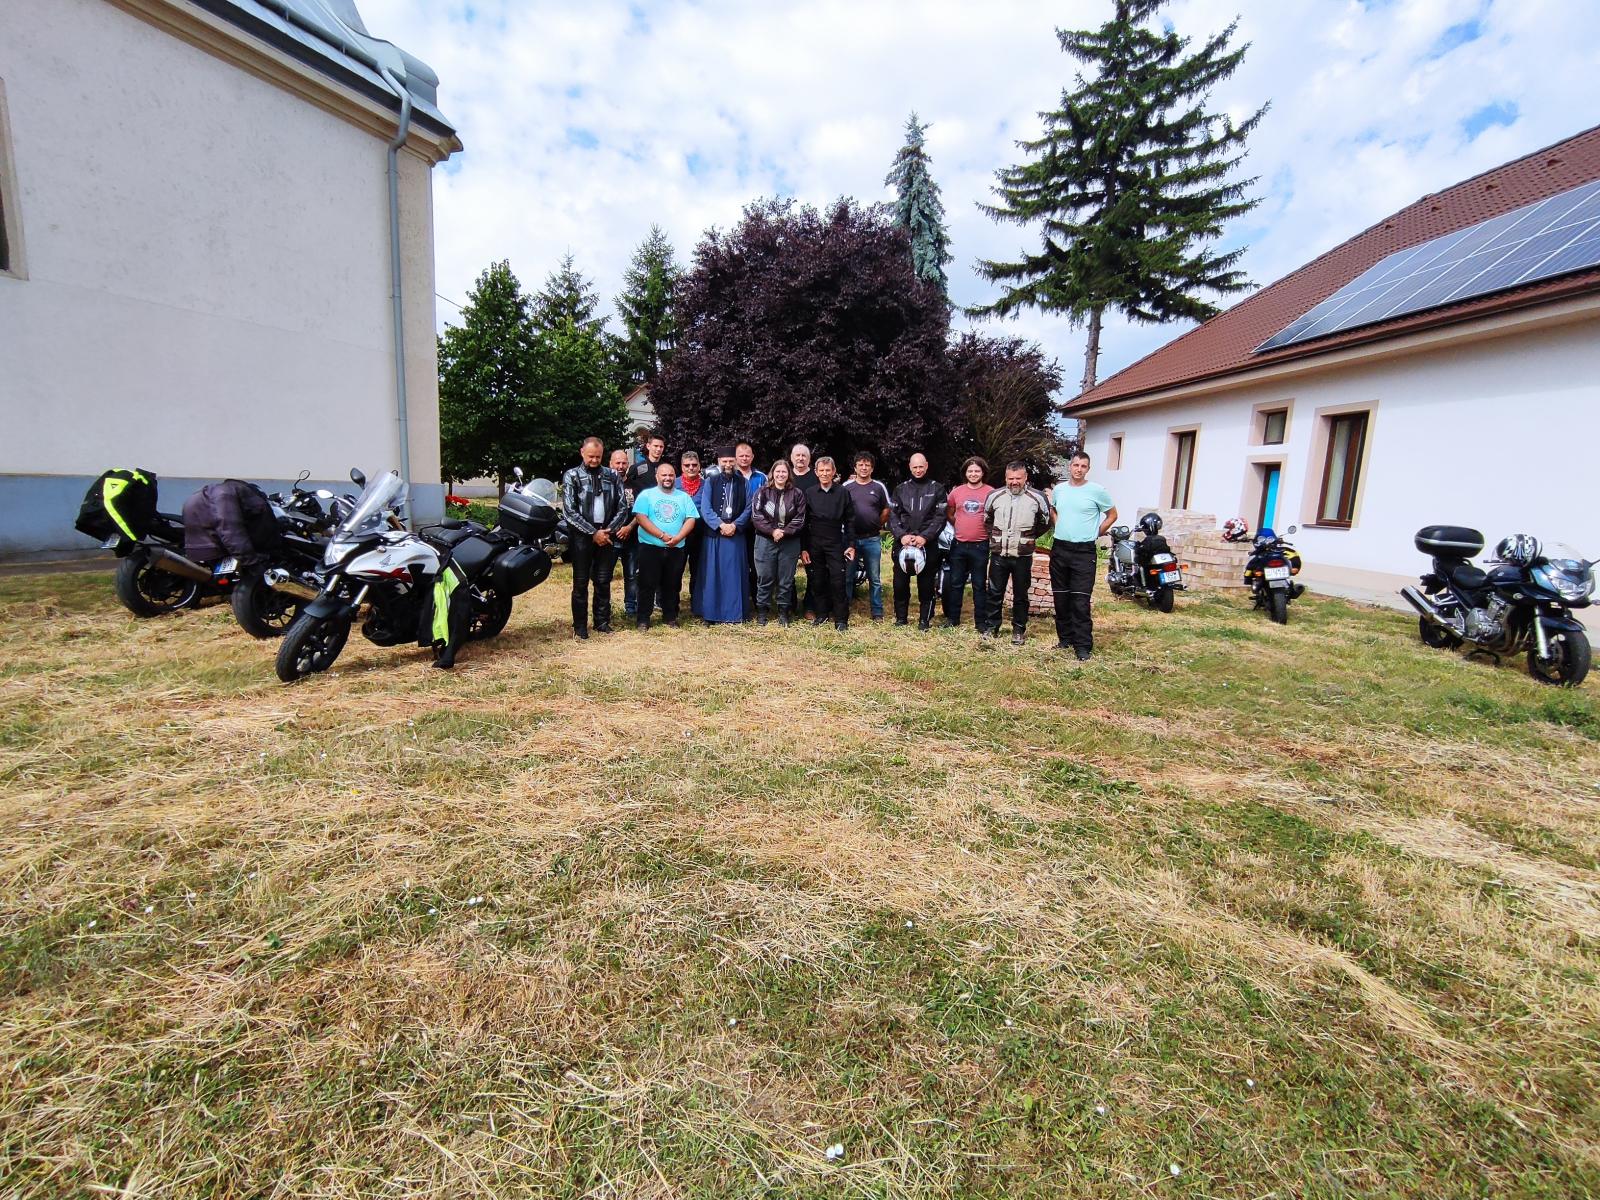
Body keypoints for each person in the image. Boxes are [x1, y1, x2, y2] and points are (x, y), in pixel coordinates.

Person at [1049, 449, 1117, 660]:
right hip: (1060, 549)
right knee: (1061, 599)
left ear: (1088, 469)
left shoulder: (1097, 491)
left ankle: (1083, 646)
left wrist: (1097, 532)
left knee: (1080, 600)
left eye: (1083, 466)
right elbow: (1053, 509)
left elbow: (1112, 515)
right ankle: (1065, 639)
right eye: (1076, 465)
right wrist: (1059, 524)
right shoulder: (1059, 490)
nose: (1079, 469)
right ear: (1070, 466)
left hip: (1083, 552)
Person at [560, 436, 628, 639]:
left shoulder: (612, 475)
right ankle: (580, 626)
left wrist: (607, 531)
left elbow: (622, 507)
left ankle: (602, 622)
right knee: (581, 583)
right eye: (590, 456)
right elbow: (569, 511)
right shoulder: (572, 475)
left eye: (598, 457)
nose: (594, 460)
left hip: (606, 535)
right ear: (582, 452)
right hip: (582, 536)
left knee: (603, 580)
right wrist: (592, 532)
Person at [983, 462, 1052, 646]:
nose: (1014, 482)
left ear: (1025, 477)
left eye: (1018, 478)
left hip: (1022, 555)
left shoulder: (1037, 497)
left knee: (1021, 595)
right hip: (999, 553)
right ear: (1005, 478)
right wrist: (997, 538)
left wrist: (1028, 538)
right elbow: (987, 519)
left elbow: (1045, 522)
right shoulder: (994, 496)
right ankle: (991, 627)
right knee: (994, 592)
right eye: (1011, 478)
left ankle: (1018, 630)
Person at [630, 460, 699, 630]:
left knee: (672, 584)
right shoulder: (646, 495)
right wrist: (661, 535)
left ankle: (670, 617)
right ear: (657, 477)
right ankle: (643, 619)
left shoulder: (683, 497)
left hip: (676, 547)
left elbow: (691, 519)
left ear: (675, 477)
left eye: (670, 475)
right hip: (650, 546)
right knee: (647, 584)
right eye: (664, 475)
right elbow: (641, 517)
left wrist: (678, 537)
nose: (667, 478)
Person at [889, 453, 947, 630]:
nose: (918, 470)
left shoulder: (937, 489)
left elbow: (940, 517)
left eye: (921, 466)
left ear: (926, 465)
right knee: (900, 585)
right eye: (915, 467)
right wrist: (901, 535)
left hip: (927, 544)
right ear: (910, 467)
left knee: (926, 585)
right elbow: (892, 516)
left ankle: (924, 620)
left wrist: (925, 537)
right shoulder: (900, 489)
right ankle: (901, 619)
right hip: (903, 544)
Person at [696, 447, 754, 623]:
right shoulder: (710, 481)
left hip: (735, 534)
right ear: (719, 462)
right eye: (725, 461)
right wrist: (720, 525)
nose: (728, 464)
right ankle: (711, 614)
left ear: (735, 461)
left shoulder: (743, 482)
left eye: (731, 461)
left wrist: (734, 525)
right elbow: (705, 508)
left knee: (733, 575)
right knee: (713, 575)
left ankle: (734, 614)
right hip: (715, 534)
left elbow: (749, 507)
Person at [801, 456, 855, 630]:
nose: (824, 473)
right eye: (821, 470)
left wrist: (851, 544)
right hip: (815, 541)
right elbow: (804, 523)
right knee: (817, 580)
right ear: (816, 472)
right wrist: (804, 548)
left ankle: (841, 619)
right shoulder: (809, 492)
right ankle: (821, 615)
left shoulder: (843, 492)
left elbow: (850, 520)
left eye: (828, 470)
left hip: (835, 541)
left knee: (838, 581)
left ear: (833, 472)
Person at [751, 458, 807, 625]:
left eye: (784, 471)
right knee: (764, 577)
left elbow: (800, 518)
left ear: (788, 474)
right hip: (765, 541)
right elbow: (756, 516)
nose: (781, 474)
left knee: (786, 579)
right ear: (772, 473)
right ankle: (762, 612)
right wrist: (772, 531)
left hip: (789, 541)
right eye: (778, 471)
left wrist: (784, 532)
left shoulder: (797, 494)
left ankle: (783, 612)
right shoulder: (762, 492)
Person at [942, 456, 994, 632]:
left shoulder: (991, 492)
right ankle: (953, 619)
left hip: (980, 546)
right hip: (959, 545)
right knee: (956, 583)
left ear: (983, 472)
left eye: (977, 471)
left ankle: (980, 622)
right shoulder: (957, 492)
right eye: (970, 471)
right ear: (965, 473)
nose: (973, 474)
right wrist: (959, 524)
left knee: (979, 585)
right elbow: (949, 512)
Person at [842, 452, 892, 620]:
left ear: (872, 468)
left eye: (867, 465)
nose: (864, 468)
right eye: (860, 465)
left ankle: (877, 612)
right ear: (855, 467)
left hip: (872, 539)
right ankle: (844, 610)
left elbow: (886, 509)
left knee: (874, 578)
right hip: (851, 540)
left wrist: (877, 523)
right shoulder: (847, 486)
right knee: (848, 577)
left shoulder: (878, 487)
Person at [789, 443, 820, 614]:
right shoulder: (786, 476)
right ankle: (790, 605)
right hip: (790, 531)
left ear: (809, 459)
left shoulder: (816, 477)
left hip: (811, 531)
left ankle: (810, 606)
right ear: (791, 457)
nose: (800, 458)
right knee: (787, 572)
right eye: (797, 455)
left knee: (813, 572)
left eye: (804, 455)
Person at [736, 441, 767, 614]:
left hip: (757, 529)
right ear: (736, 457)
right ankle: (740, 600)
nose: (744, 458)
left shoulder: (761, 477)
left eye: (747, 455)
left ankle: (758, 601)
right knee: (739, 565)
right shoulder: (730, 475)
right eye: (741, 455)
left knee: (756, 565)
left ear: (752, 457)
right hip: (737, 528)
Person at [610, 448, 640, 621]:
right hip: (610, 539)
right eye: (617, 463)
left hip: (632, 537)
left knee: (632, 575)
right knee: (605, 576)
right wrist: (613, 529)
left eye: (624, 463)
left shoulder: (636, 486)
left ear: (628, 464)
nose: (620, 466)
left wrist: (629, 527)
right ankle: (605, 609)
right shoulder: (605, 485)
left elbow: (640, 512)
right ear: (611, 464)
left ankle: (631, 608)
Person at [679, 450, 705, 615]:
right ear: (682, 467)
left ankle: (697, 605)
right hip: (678, 535)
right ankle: (672, 606)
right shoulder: (674, 484)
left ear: (699, 466)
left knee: (698, 571)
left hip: (700, 535)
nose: (691, 468)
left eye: (694, 465)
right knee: (676, 570)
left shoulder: (707, 485)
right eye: (687, 465)